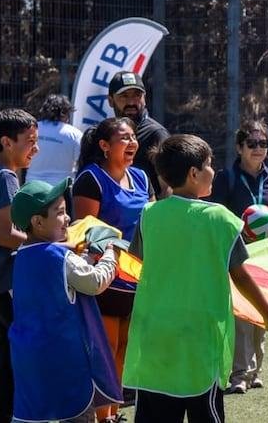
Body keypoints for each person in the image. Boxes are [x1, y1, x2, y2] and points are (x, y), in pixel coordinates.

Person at [123, 134, 268, 422]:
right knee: (205, 411)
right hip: (200, 340)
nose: (214, 170)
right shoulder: (221, 219)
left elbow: (137, 262)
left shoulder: (149, 214)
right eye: (209, 164)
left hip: (155, 338)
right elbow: (241, 276)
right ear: (194, 173)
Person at [9, 179, 122, 423]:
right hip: (64, 358)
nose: (68, 218)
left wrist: (83, 258)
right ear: (37, 222)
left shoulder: (21, 256)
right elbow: (94, 282)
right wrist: (111, 254)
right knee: (76, 415)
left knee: (33, 415)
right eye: (60, 213)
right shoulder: (60, 256)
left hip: (29, 357)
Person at [72, 117, 154, 420]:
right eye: (124, 138)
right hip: (105, 279)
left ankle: (113, 413)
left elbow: (152, 223)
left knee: (126, 350)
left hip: (138, 277)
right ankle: (100, 415)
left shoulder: (143, 178)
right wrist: (110, 258)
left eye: (134, 137)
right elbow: (84, 233)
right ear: (104, 146)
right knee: (106, 348)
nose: (132, 143)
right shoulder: (90, 179)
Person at [208, 120, 268, 395]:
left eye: (263, 144)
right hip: (237, 254)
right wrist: (240, 224)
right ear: (239, 147)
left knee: (261, 311)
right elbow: (215, 213)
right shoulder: (226, 177)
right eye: (252, 144)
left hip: (267, 255)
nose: (258, 149)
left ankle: (256, 371)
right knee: (241, 317)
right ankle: (239, 375)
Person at [0, 108, 38, 423]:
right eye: (30, 141)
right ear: (6, 142)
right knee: (20, 355)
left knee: (8, 357)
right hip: (7, 283)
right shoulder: (4, 176)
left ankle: (3, 416)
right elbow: (5, 235)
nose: (36, 148)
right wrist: (44, 241)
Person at [108, 71, 170, 196]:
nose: (131, 102)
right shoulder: (106, 133)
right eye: (124, 96)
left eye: (137, 95)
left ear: (144, 98)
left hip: (147, 213)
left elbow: (167, 187)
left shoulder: (156, 134)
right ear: (110, 100)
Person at [28, 94, 83, 188]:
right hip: (61, 189)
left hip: (31, 186)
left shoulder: (32, 129)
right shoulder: (75, 134)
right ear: (65, 113)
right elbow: (81, 163)